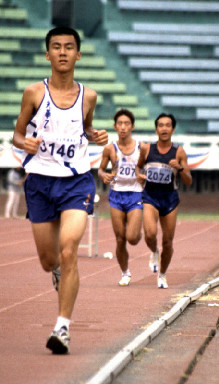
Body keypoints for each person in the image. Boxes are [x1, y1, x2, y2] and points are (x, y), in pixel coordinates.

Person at [12, 26, 108, 354]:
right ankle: (55, 271)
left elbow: (84, 127)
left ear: (78, 54)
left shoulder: (89, 96)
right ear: (47, 54)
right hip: (39, 182)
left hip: (76, 181)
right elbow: (17, 134)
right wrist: (25, 142)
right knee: (48, 259)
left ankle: (62, 328)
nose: (63, 52)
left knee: (70, 252)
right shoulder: (33, 93)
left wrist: (94, 134)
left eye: (69, 47)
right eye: (56, 47)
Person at [136, 113, 192, 289]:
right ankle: (154, 251)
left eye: (168, 125)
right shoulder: (147, 149)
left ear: (173, 129)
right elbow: (138, 166)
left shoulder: (179, 151)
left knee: (168, 242)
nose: (164, 128)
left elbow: (189, 181)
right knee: (150, 234)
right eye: (161, 125)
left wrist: (180, 168)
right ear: (156, 129)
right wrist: (139, 175)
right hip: (150, 196)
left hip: (170, 199)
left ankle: (162, 274)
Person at [98, 109, 143, 286]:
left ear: (132, 126)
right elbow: (101, 169)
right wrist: (103, 175)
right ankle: (125, 273)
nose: (123, 127)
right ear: (115, 126)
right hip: (116, 194)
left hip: (135, 193)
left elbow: (148, 168)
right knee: (119, 238)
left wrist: (144, 175)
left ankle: (137, 230)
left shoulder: (142, 147)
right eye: (120, 124)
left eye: (126, 124)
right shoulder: (110, 148)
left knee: (131, 238)